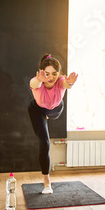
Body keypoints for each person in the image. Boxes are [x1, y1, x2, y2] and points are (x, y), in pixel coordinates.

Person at [28, 54, 78, 194]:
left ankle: (48, 117)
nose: (51, 77)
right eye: (47, 74)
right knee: (45, 143)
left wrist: (71, 83)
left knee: (54, 110)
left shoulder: (60, 80)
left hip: (55, 109)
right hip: (38, 110)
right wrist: (39, 80)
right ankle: (47, 181)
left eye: (54, 74)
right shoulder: (37, 81)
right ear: (41, 72)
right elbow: (33, 84)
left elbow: (66, 84)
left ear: (59, 73)